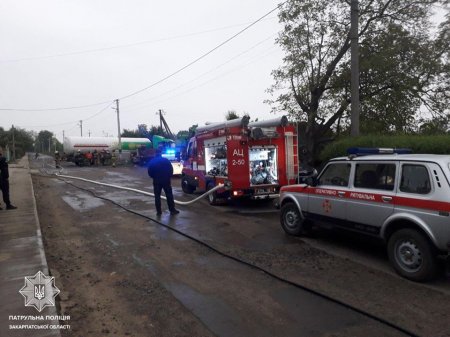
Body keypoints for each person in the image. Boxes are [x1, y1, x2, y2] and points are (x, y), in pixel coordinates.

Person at [147, 149, 179, 216]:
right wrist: (168, 176)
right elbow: (171, 170)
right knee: (169, 195)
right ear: (161, 153)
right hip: (166, 180)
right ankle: (172, 210)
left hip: (156, 181)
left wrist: (154, 177)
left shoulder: (152, 161)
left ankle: (159, 212)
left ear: (155, 154)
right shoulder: (165, 160)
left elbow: (149, 171)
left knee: (157, 196)